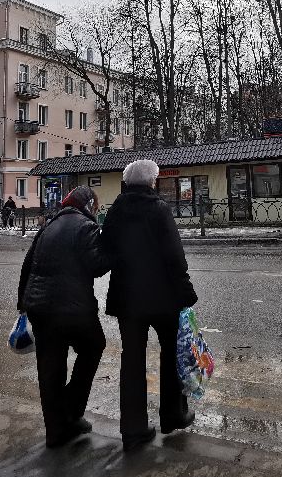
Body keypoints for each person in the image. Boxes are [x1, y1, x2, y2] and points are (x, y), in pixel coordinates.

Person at [101, 159, 198, 452]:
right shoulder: (159, 209)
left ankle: (133, 429)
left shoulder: (116, 211)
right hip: (162, 297)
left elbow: (105, 253)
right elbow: (174, 256)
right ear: (151, 182)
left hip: (127, 300)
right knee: (171, 354)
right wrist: (186, 292)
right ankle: (172, 415)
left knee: (131, 360)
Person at [17, 186, 111, 448]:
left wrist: (23, 304)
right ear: (88, 205)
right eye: (95, 206)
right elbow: (97, 266)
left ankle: (56, 432)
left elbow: (27, 265)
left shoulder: (48, 226)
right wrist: (112, 248)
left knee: (50, 369)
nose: (96, 211)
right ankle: (71, 411)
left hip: (39, 308)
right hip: (72, 308)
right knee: (93, 346)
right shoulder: (85, 226)